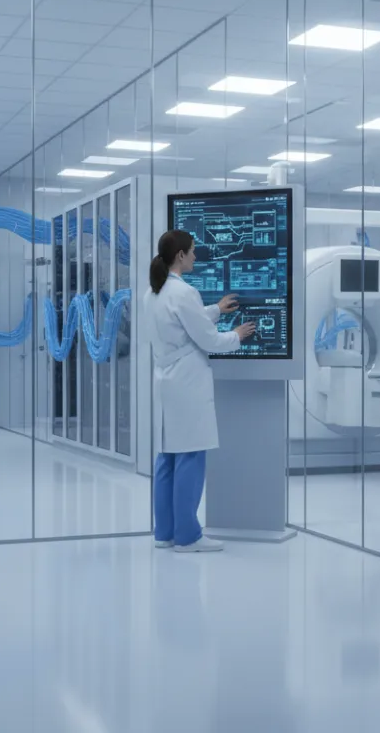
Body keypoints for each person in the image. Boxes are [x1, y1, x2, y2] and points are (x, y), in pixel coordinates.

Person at [147, 229, 256, 553]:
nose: (196, 256)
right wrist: (235, 334)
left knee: (167, 457)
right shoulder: (184, 293)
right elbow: (208, 339)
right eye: (193, 252)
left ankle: (165, 533)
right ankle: (188, 537)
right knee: (191, 456)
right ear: (180, 255)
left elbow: (182, 323)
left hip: (166, 380)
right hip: (187, 381)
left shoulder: (153, 291)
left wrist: (215, 309)